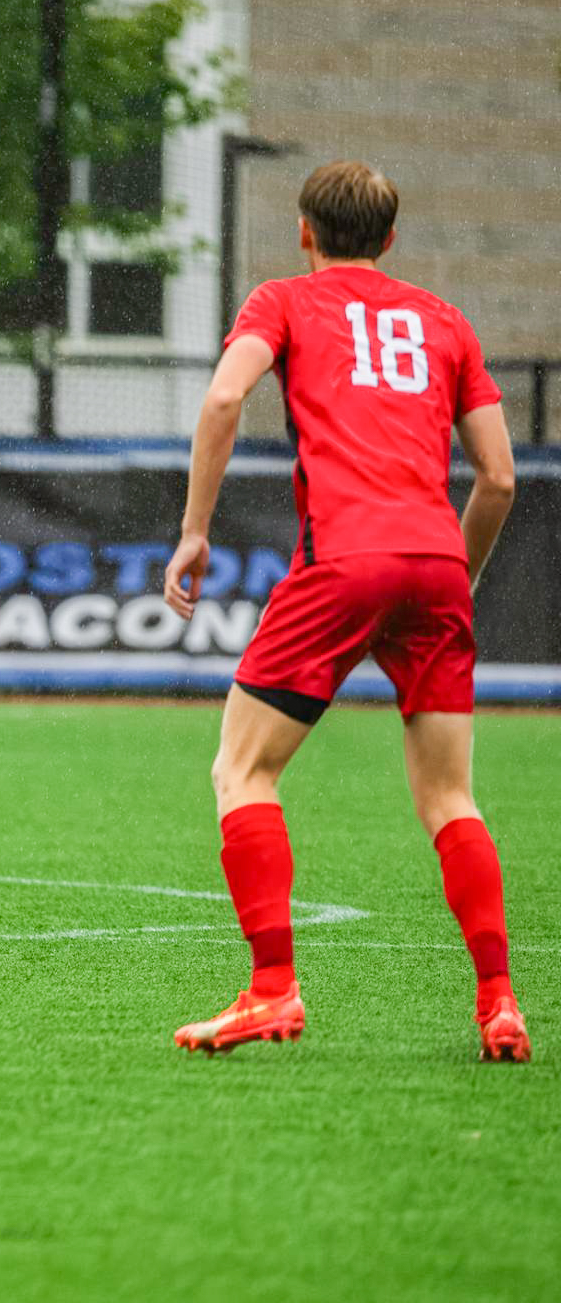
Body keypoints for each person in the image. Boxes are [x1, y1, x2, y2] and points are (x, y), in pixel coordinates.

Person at [162, 160, 527, 1061]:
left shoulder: (283, 300)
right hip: (436, 562)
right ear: (392, 240)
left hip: (344, 558)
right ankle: (500, 1005)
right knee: (450, 797)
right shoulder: (445, 322)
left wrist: (194, 532)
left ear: (304, 231)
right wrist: (455, 572)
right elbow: (500, 477)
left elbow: (221, 397)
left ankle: (272, 992)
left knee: (242, 772)